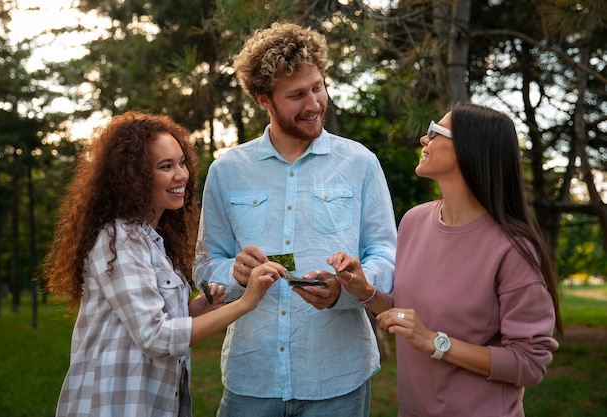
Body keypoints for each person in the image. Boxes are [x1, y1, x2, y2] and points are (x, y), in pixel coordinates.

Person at [192, 22, 397, 417]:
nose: (314, 104)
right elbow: (204, 263)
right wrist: (232, 273)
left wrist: (347, 289)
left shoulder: (360, 163)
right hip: (252, 377)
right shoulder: (227, 170)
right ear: (262, 98)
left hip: (337, 378)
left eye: (318, 87)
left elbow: (385, 252)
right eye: (296, 95)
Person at [328, 102, 563, 417]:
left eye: (434, 132)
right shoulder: (413, 221)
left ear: (470, 150)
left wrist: (437, 343)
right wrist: (365, 291)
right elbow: (412, 316)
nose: (424, 140)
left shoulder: (513, 249)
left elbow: (529, 364)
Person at [43, 111, 280, 417]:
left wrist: (195, 309)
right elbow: (156, 337)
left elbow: (151, 318)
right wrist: (245, 303)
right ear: (134, 178)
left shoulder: (151, 239)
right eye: (165, 167)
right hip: (115, 404)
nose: (182, 175)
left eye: (182, 162)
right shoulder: (120, 239)